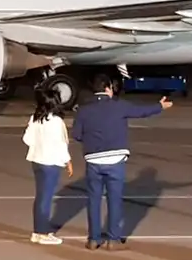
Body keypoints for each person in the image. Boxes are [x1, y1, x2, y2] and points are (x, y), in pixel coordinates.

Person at [72, 73, 172, 250]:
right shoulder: (119, 106)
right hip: (115, 159)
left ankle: (93, 239)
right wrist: (160, 106)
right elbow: (141, 111)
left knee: (94, 200)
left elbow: (77, 135)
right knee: (115, 200)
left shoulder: (83, 110)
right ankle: (113, 239)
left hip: (93, 160)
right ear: (108, 88)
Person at [23, 89, 73, 245]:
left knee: (40, 197)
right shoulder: (57, 122)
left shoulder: (35, 118)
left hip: (36, 160)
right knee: (46, 197)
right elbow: (62, 144)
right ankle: (42, 233)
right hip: (51, 162)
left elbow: (27, 139)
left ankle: (38, 230)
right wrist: (68, 162)